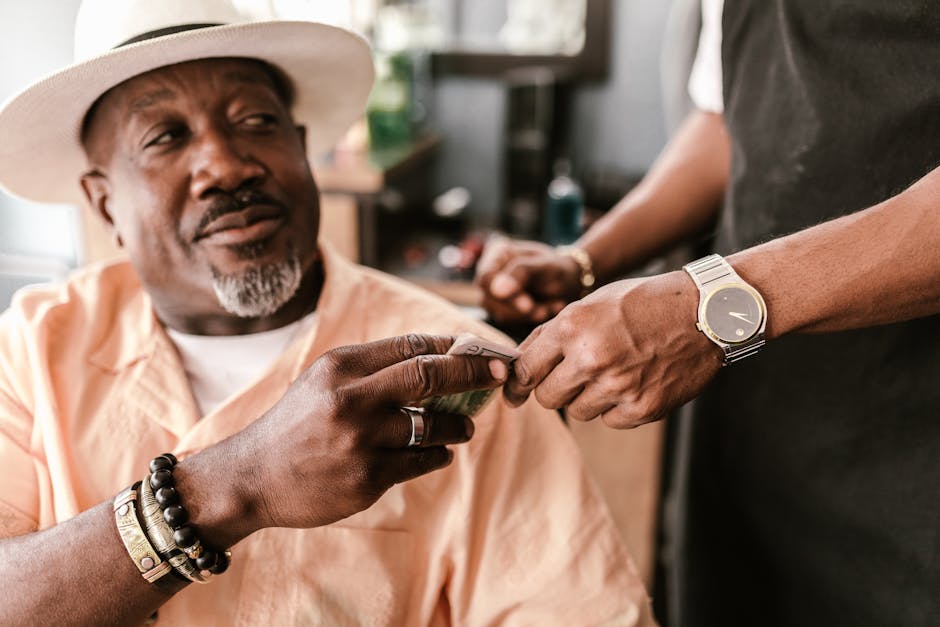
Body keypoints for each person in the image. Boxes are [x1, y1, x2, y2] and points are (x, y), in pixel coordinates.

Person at [0, 1, 656, 624]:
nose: (226, 165)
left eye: (257, 121)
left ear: (302, 143)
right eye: (166, 136)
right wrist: (233, 485)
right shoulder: (31, 349)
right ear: (104, 201)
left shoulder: (457, 375)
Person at [476, 0, 940, 625]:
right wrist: (585, 261)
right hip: (752, 427)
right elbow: (728, 124)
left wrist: (715, 306)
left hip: (915, 440)